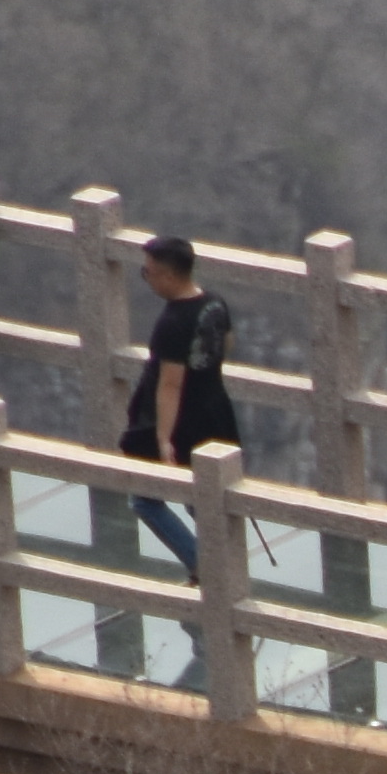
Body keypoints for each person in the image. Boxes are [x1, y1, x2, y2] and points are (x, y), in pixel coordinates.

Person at [118, 232, 237, 583]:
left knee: (144, 498)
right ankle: (226, 564)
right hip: (215, 407)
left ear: (168, 276)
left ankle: (204, 566)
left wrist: (163, 438)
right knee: (204, 498)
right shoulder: (215, 304)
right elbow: (225, 343)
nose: (147, 278)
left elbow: (170, 385)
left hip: (182, 419)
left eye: (148, 272)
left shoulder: (172, 323)